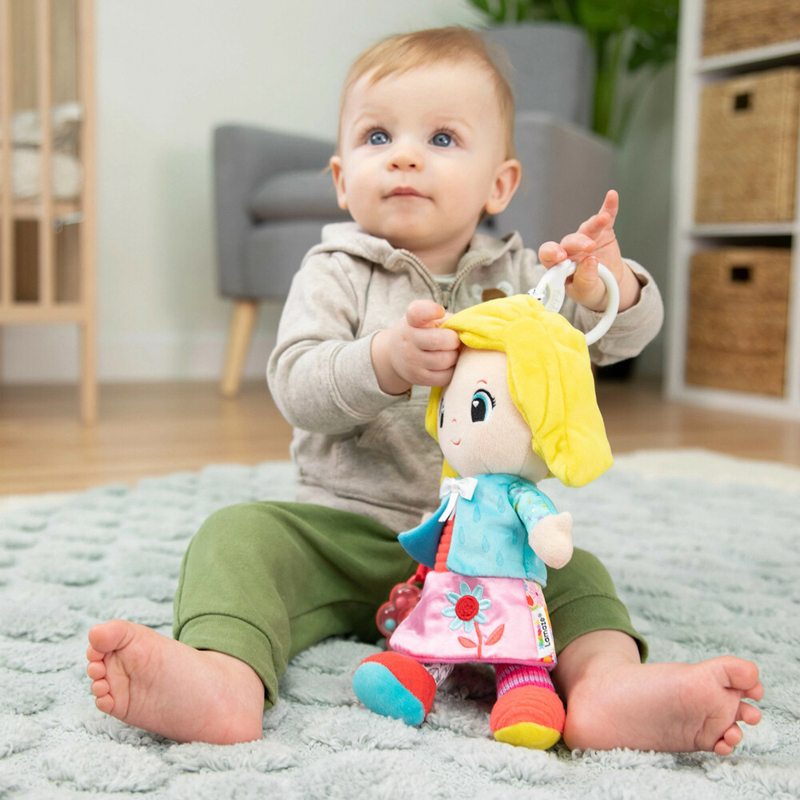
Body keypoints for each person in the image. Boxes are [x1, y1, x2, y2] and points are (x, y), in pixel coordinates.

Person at [86, 27, 762, 755]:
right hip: (346, 533)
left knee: (580, 576)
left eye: (442, 138)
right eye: (378, 136)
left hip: (489, 550)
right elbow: (297, 385)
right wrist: (385, 360)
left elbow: (615, 341)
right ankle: (224, 677)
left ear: (500, 184)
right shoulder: (333, 271)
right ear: (342, 178)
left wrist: (610, 289)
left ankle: (608, 687)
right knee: (235, 537)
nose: (404, 156)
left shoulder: (525, 282)